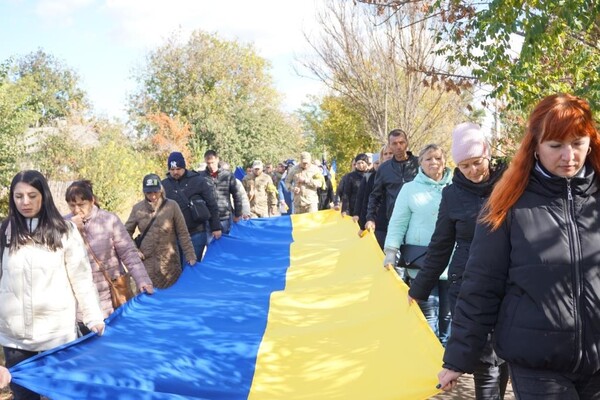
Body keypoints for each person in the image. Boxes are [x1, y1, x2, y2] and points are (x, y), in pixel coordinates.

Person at [437, 94, 600, 398]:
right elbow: (482, 284)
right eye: (555, 146)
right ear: (535, 147)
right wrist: (458, 357)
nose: (569, 156)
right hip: (537, 364)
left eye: (578, 143)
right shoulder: (506, 204)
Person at [407, 123, 508, 399]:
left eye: (477, 162)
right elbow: (440, 245)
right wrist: (419, 288)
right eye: (464, 166)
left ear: (487, 154)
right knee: (485, 361)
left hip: (511, 281)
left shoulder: (511, 183)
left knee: (505, 355)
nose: (473, 170)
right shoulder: (452, 195)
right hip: (469, 283)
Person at [0, 171, 104, 400]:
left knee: (64, 395)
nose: (25, 202)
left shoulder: (65, 231)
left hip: (57, 337)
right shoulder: (4, 232)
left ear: (44, 196)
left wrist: (93, 317)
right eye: (18, 196)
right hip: (16, 340)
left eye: (31, 195)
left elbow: (82, 278)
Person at [383, 144, 453, 344]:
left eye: (438, 158)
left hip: (452, 263)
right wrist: (391, 251)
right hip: (421, 263)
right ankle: (431, 365)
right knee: (428, 316)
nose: (434, 163)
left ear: (444, 161)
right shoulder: (410, 189)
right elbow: (398, 223)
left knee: (448, 318)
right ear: (420, 163)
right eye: (428, 159)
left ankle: (445, 364)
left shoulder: (455, 187)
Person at [64, 180, 154, 331]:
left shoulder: (109, 220)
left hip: (112, 298)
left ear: (92, 201)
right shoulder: (63, 225)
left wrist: (142, 280)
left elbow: (128, 252)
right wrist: (72, 229)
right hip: (82, 306)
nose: (76, 210)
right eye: (72, 205)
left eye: (81, 204)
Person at [124, 174, 196, 288]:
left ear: (161, 190)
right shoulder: (137, 209)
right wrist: (134, 249)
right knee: (150, 300)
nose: (153, 196)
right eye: (149, 193)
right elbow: (125, 233)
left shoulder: (172, 206)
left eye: (155, 192)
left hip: (170, 264)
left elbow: (183, 233)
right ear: (144, 192)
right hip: (147, 264)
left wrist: (190, 256)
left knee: (173, 297)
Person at [162, 151, 222, 261]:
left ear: (184, 167)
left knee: (191, 268)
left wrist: (216, 227)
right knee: (177, 271)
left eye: (178, 169)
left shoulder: (198, 180)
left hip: (196, 233)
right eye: (172, 169)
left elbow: (211, 204)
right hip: (173, 237)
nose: (175, 172)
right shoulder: (164, 185)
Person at [365, 129, 419, 236]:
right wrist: (370, 218)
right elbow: (375, 196)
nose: (398, 146)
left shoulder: (420, 163)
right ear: (389, 145)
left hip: (419, 219)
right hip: (395, 220)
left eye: (401, 142)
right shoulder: (384, 168)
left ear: (407, 143)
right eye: (394, 143)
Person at [356, 145, 394, 248]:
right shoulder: (373, 177)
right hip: (380, 223)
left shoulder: (404, 174)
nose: (388, 156)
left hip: (398, 222)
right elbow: (367, 201)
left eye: (391, 153)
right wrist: (363, 223)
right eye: (385, 154)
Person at [340, 153, 370, 217]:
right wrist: (345, 210)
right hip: (354, 207)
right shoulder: (350, 176)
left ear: (366, 163)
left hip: (368, 207)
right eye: (358, 163)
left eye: (362, 163)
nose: (360, 165)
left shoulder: (371, 175)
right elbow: (346, 194)